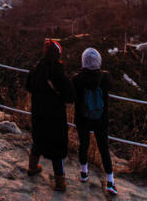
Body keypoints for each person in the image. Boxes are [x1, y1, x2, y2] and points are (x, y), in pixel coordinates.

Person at [25, 39, 76, 192]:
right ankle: (59, 182)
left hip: (38, 113)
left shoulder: (36, 69)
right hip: (55, 116)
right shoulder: (59, 74)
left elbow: (28, 86)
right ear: (58, 55)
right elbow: (70, 96)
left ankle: (32, 167)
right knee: (57, 147)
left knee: (38, 139)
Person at [72, 47, 117, 195]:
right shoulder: (105, 77)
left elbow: (72, 95)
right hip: (101, 119)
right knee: (104, 148)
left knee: (84, 144)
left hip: (82, 118)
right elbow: (111, 86)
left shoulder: (77, 78)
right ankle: (110, 182)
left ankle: (84, 173)